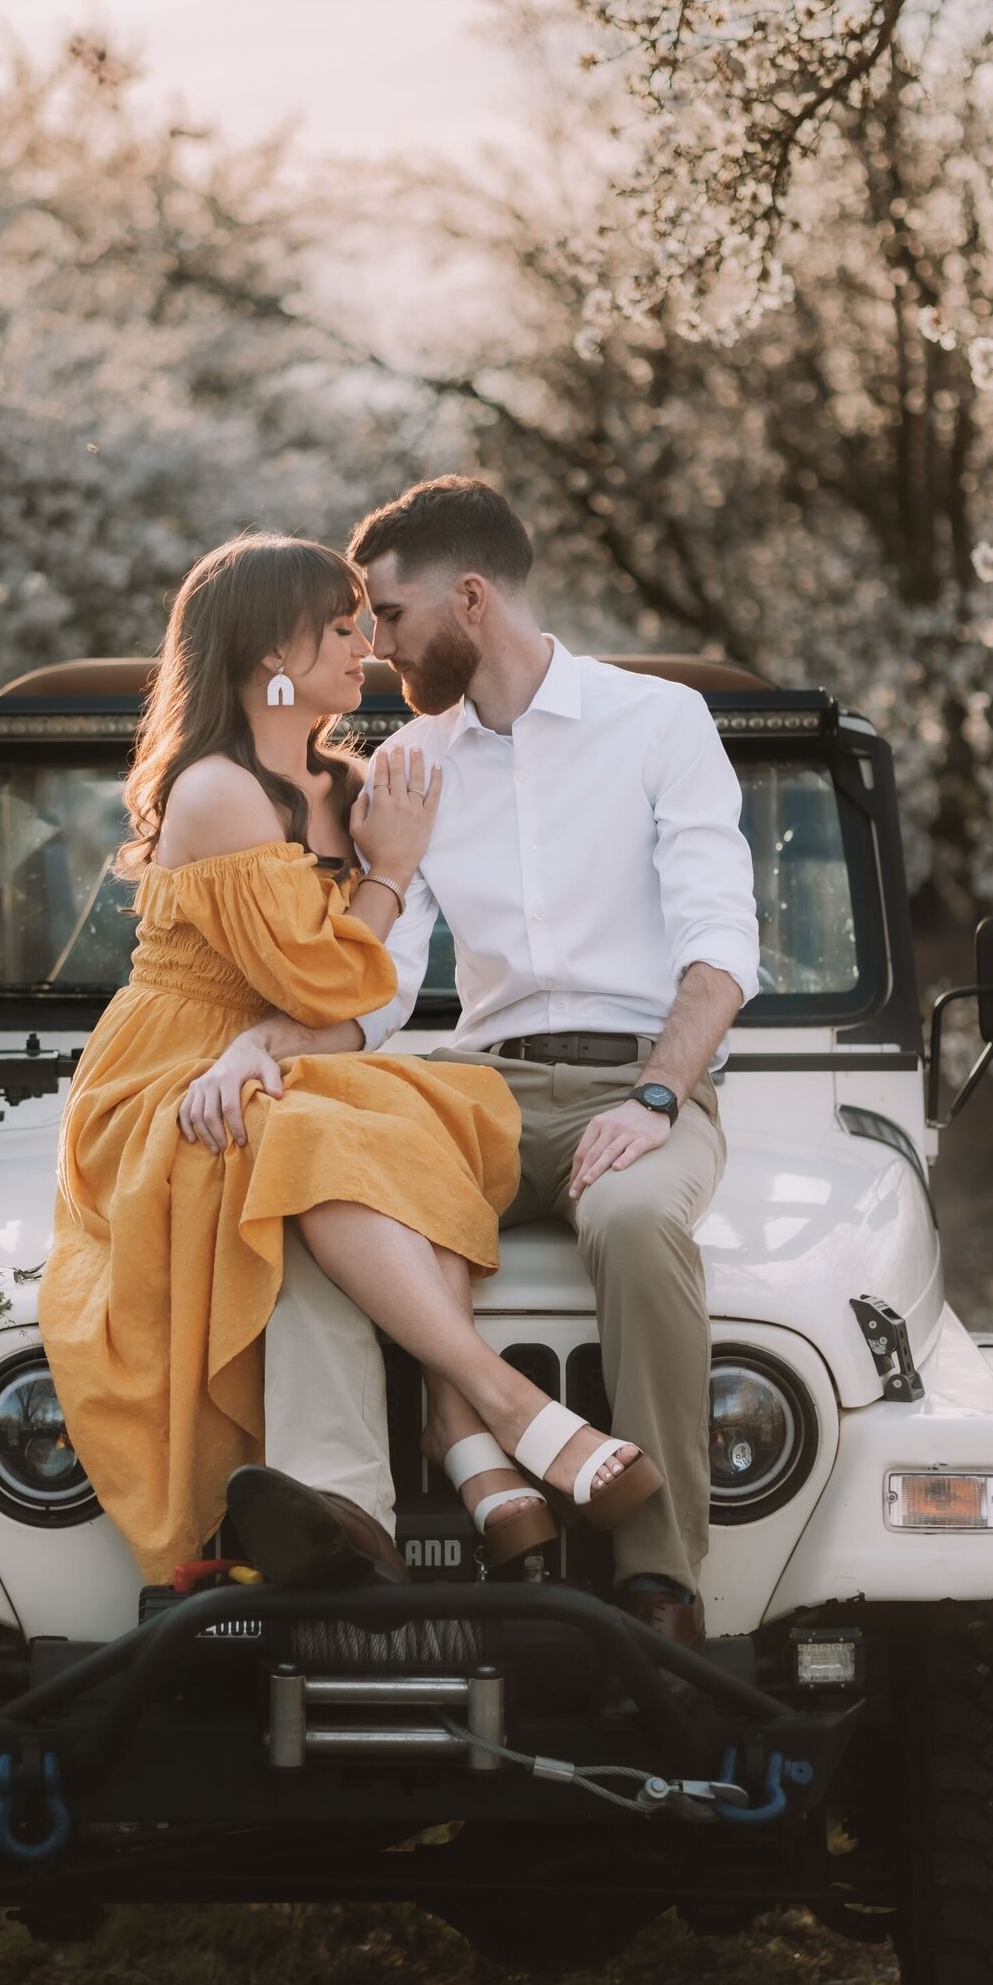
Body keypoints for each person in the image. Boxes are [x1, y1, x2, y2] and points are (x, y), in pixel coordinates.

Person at [180, 482, 759, 1652]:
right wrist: (268, 1044)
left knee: (639, 1224)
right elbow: (380, 984)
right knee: (312, 1172)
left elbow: (718, 951)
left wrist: (656, 1097)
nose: (374, 646)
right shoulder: (413, 762)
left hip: (641, 1081)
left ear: (472, 599)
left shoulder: (657, 725)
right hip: (481, 1083)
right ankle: (351, 1512)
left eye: (387, 618)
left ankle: (657, 1581)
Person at [37, 532, 671, 1593]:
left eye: (361, 624)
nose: (366, 650)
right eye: (337, 629)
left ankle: (447, 1451)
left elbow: (347, 1003)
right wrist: (392, 872)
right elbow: (329, 986)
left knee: (420, 1115)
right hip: (170, 1079)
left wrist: (376, 886)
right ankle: (497, 1407)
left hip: (281, 1063)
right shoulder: (216, 791)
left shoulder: (353, 780)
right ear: (263, 655)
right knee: (314, 1131)